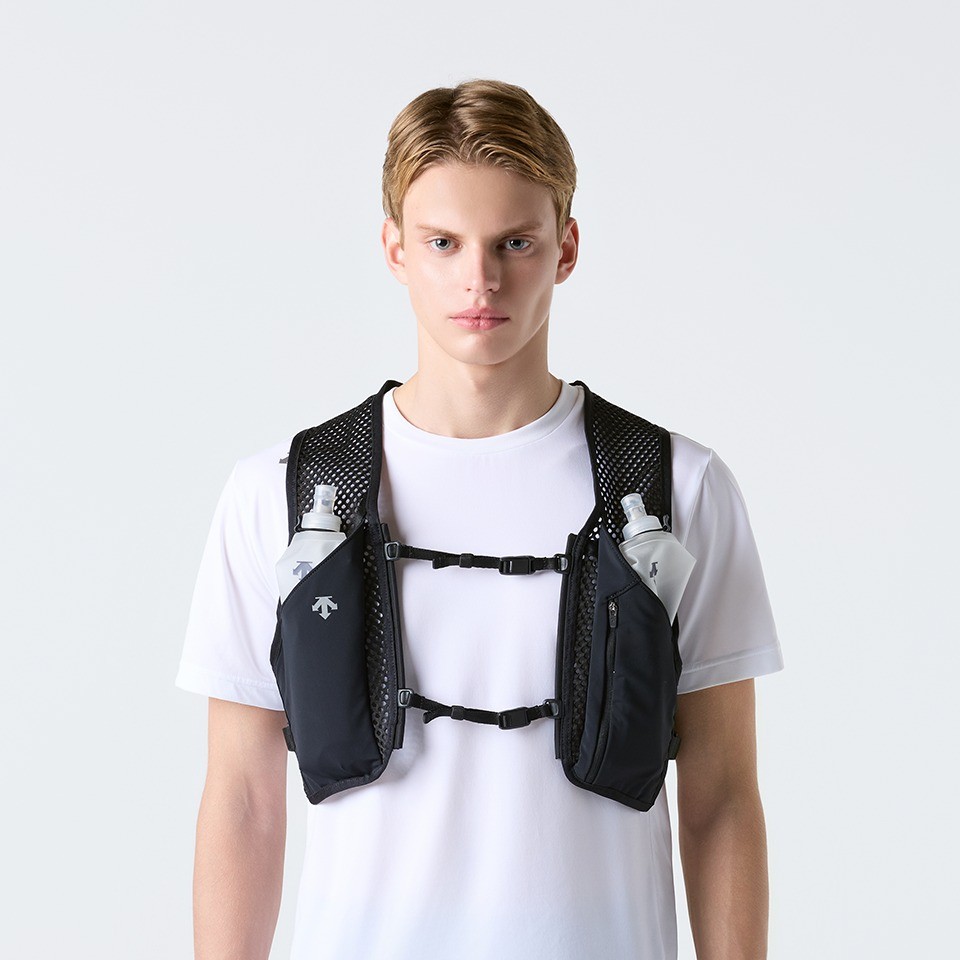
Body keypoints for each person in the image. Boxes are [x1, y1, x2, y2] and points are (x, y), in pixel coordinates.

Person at [176, 78, 784, 960]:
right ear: (395, 249)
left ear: (566, 248)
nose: (480, 278)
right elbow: (242, 800)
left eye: (515, 242)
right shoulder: (277, 492)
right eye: (443, 242)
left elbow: (723, 796)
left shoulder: (678, 488)